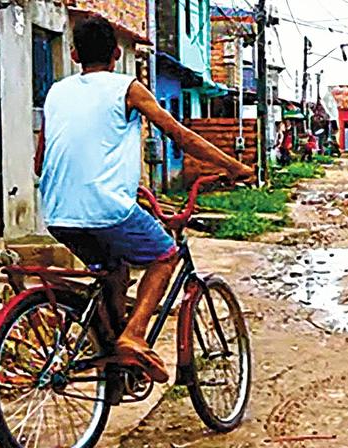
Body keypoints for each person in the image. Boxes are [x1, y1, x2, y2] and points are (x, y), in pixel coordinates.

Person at [34, 15, 255, 383]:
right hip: (106, 209)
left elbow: (40, 161)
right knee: (165, 255)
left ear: (74, 55)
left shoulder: (57, 92)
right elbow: (180, 135)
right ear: (117, 53)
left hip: (57, 213)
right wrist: (234, 167)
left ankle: (114, 365)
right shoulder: (128, 88)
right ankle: (134, 336)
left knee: (113, 272)